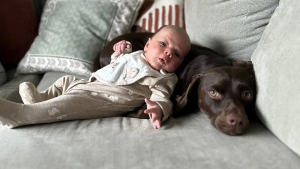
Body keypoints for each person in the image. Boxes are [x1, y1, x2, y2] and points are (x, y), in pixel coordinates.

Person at [0, 25, 191, 129]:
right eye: (164, 44)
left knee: (68, 102)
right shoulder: (136, 55)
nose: (168, 53)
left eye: (176, 54)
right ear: (148, 45)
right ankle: (39, 99)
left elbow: (162, 97)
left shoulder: (165, 77)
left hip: (105, 98)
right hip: (91, 82)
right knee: (66, 81)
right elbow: (115, 68)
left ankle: (21, 115)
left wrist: (159, 109)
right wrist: (119, 54)